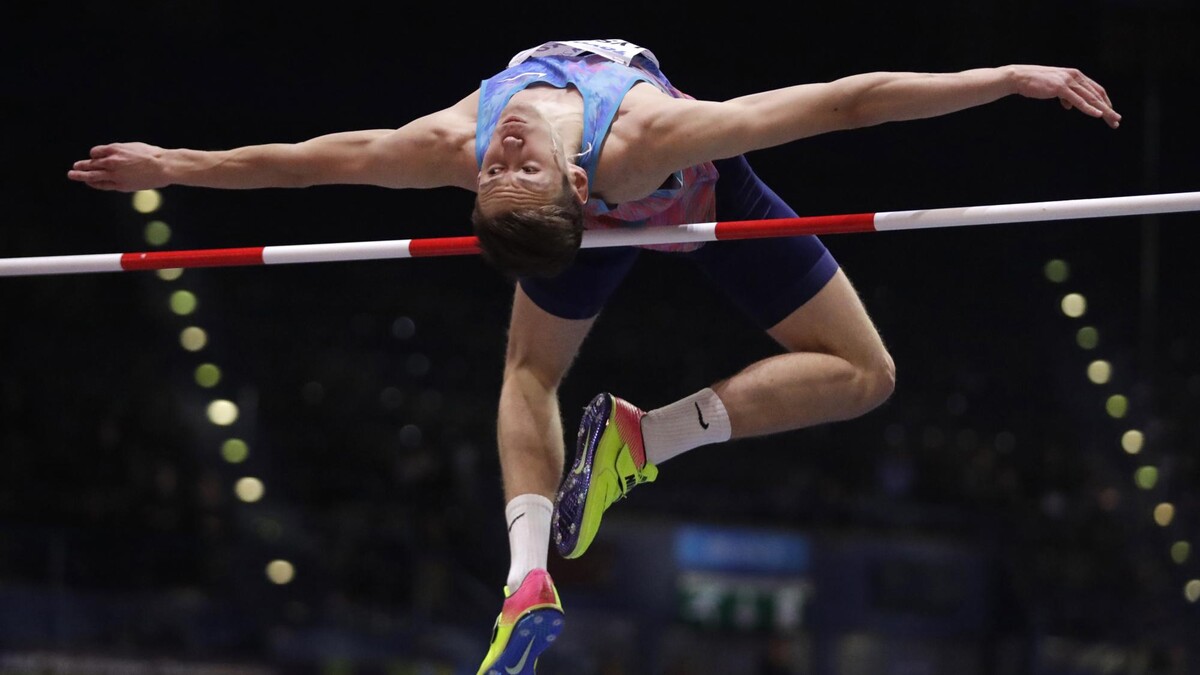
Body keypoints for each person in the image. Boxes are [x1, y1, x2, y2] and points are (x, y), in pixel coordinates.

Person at [68, 38, 1120, 674]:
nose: (500, 158)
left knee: (867, 377)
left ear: (574, 191)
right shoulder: (604, 149)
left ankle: (639, 441)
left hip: (692, 201)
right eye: (508, 175)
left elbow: (847, 102)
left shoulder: (526, 144)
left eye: (503, 176)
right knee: (526, 374)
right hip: (649, 207)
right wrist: (175, 169)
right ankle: (527, 581)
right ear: (575, 195)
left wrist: (1003, 77)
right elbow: (309, 165)